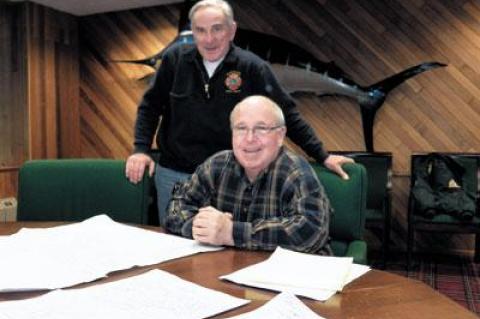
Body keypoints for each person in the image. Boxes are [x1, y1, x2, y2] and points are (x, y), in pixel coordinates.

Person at [125, 0, 353, 227]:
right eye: (201, 30)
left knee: (226, 245)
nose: (209, 38)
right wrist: (140, 150)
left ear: (232, 30)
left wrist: (322, 155)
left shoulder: (252, 67)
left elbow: (286, 114)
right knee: (174, 244)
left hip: (228, 182)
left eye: (217, 28)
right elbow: (150, 106)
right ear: (192, 31)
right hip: (175, 176)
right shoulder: (174, 60)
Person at [166, 95, 332, 255]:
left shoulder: (297, 172)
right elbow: (177, 205)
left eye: (261, 128)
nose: (250, 138)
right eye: (241, 128)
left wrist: (231, 232)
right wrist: (201, 227)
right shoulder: (217, 165)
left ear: (280, 135)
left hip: (290, 278)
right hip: (226, 271)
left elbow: (312, 231)